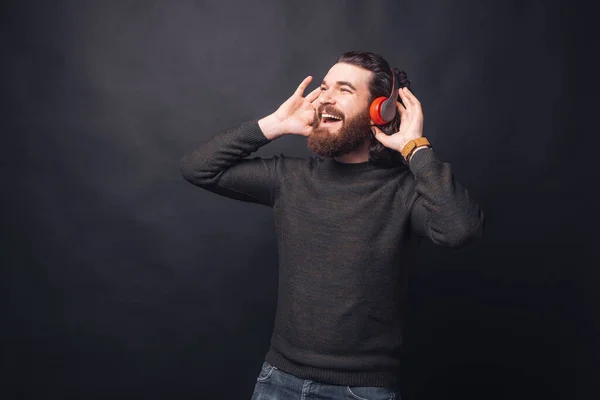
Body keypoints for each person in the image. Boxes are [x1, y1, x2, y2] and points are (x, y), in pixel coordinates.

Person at [180, 51, 484, 399]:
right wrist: (276, 124)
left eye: (343, 89)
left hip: (362, 391)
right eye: (324, 87)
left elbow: (461, 230)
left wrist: (416, 148)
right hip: (278, 380)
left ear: (380, 110)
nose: (325, 96)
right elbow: (197, 168)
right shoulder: (288, 178)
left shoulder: (404, 191)